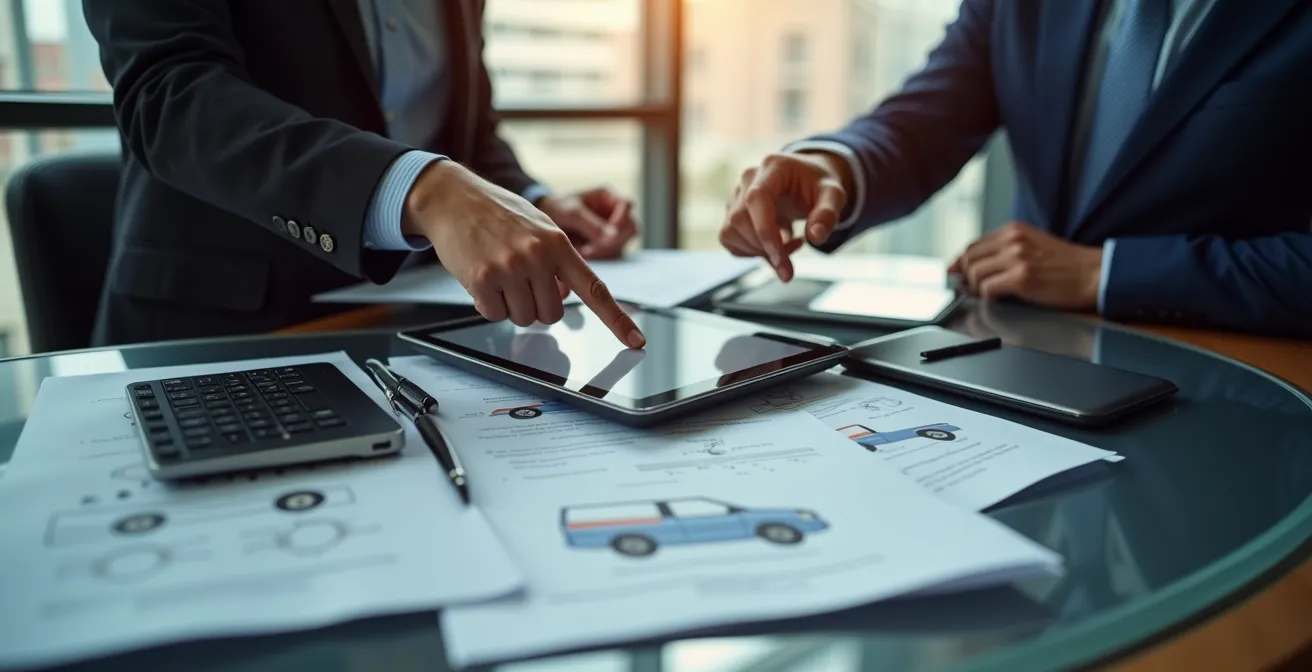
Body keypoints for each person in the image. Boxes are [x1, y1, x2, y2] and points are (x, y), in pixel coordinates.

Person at [719, 0, 1312, 337]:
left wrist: (1107, 274)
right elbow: (929, 116)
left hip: (1239, 384)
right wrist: (833, 166)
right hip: (1026, 366)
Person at [82, 0, 645, 348]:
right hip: (224, 336)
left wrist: (532, 200)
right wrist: (420, 188)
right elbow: (170, 97)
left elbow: (464, 133)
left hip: (422, 329)